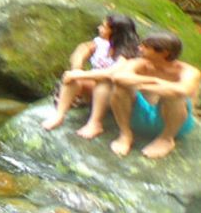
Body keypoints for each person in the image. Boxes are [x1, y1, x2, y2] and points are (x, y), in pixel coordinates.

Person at [63, 31, 200, 160]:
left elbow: (183, 90)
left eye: (146, 47)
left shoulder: (188, 71)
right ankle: (125, 134)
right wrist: (153, 81)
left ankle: (166, 139)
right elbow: (118, 78)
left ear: (164, 53)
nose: (139, 48)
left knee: (172, 94)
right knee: (120, 88)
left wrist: (144, 84)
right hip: (138, 118)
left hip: (174, 123)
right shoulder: (139, 64)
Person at [41, 14, 139, 137]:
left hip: (117, 97)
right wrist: (77, 67)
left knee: (104, 82)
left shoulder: (128, 53)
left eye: (104, 27)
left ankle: (95, 123)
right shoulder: (101, 43)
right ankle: (59, 114)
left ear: (115, 32)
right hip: (95, 93)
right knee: (73, 79)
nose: (99, 28)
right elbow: (82, 49)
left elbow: (113, 73)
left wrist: (80, 75)